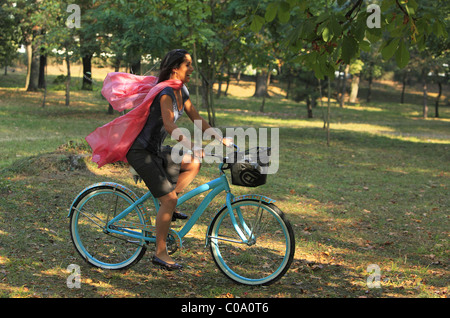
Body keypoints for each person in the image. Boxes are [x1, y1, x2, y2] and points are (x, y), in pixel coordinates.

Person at [125, 49, 232, 270]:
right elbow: (169, 125)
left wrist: (220, 137)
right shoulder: (165, 92)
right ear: (176, 68)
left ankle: (169, 206)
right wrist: (190, 144)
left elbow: (197, 118)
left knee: (193, 163)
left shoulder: (181, 91)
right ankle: (160, 253)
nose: (192, 69)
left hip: (154, 149)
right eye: (188, 65)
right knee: (169, 199)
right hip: (141, 152)